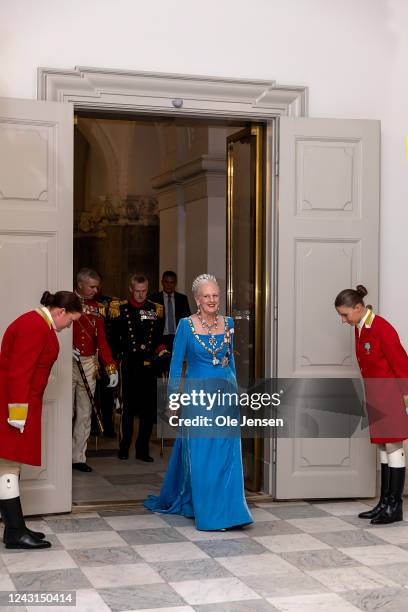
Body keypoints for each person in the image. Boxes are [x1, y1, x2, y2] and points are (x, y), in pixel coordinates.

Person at [144, 273, 253, 531]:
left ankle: (232, 512)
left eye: (215, 295)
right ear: (197, 299)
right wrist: (172, 399)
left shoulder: (227, 323)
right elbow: (175, 364)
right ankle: (209, 514)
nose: (212, 300)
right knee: (203, 455)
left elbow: (231, 362)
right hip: (198, 399)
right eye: (207, 296)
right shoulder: (186, 325)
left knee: (227, 456)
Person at [0, 291, 82, 549]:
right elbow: (19, 373)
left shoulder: (38, 324)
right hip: (14, 406)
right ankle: (14, 531)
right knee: (8, 468)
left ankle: (16, 527)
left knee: (10, 467)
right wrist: (17, 413)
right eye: (69, 321)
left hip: (20, 404)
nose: (68, 326)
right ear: (59, 312)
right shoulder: (34, 326)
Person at [335, 285, 408, 524]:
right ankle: (384, 503)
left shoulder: (382, 329)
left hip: (392, 399)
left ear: (358, 308)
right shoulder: (360, 328)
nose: (343, 320)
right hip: (375, 398)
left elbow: (402, 365)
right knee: (382, 448)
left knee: (394, 449)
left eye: (345, 314)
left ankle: (395, 507)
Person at [113, 274, 167, 462]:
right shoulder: (119, 309)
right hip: (129, 362)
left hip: (149, 363)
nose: (140, 295)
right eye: (137, 291)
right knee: (127, 408)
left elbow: (159, 338)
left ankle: (142, 449)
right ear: (131, 289)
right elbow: (113, 338)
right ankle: (124, 446)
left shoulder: (156, 309)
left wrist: (162, 352)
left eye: (144, 291)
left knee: (148, 409)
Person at [72, 268, 118, 472]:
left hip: (89, 363)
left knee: (85, 411)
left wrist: (111, 366)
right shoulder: (66, 301)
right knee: (64, 411)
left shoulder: (97, 308)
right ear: (80, 284)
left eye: (97, 286)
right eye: (92, 286)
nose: (95, 290)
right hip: (68, 362)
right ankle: (58, 455)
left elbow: (102, 340)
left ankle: (77, 457)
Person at [150, 270, 191, 353]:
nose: (169, 285)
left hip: (178, 337)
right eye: (166, 282)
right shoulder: (153, 299)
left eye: (172, 282)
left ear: (175, 283)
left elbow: (188, 319)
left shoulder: (182, 299)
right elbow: (150, 320)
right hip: (160, 339)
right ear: (162, 282)